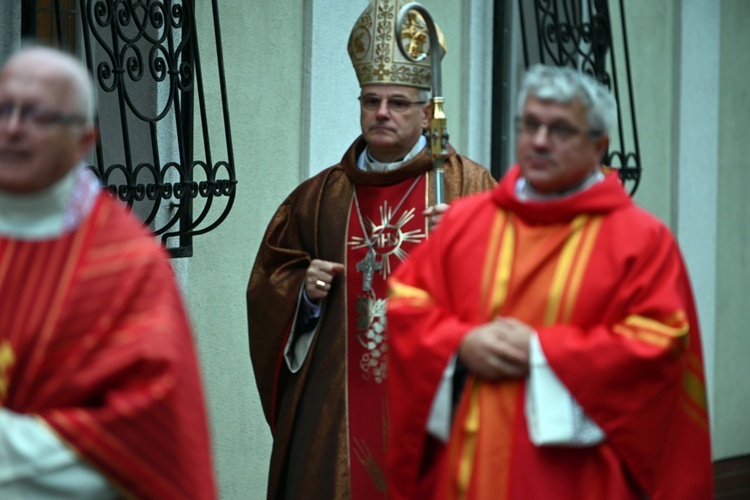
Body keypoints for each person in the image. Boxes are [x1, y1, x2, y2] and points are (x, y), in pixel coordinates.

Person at [386, 64, 714, 500]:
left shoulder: (641, 241)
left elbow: (659, 344)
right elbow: (408, 303)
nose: (539, 140)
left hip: (577, 477)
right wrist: (460, 345)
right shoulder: (468, 222)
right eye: (531, 124)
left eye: (560, 129)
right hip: (470, 468)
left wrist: (541, 352)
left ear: (600, 145)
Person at [246, 1, 495, 498]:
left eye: (398, 102)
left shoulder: (470, 188)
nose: (381, 112)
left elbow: (519, 284)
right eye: (370, 100)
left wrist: (471, 248)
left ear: (427, 113)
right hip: (338, 411)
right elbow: (269, 286)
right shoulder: (318, 199)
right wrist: (305, 295)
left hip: (437, 408)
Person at [0, 46, 217, 498]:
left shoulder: (125, 266)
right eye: (4, 109)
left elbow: (150, 434)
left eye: (37, 115)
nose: (12, 128)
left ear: (84, 140)